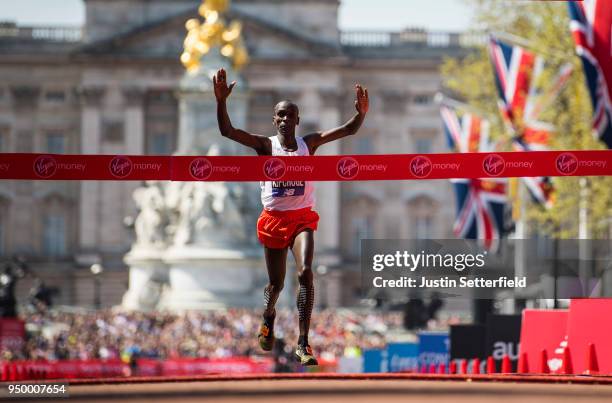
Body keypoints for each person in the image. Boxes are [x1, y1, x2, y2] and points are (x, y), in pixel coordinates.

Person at [213, 68, 369, 365]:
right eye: (280, 115)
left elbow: (347, 130)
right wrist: (221, 102)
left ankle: (303, 342)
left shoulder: (308, 144)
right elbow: (228, 132)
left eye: (290, 115)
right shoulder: (264, 146)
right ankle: (268, 316)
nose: (285, 119)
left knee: (306, 272)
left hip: (302, 220)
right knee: (276, 286)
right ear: (274, 120)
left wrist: (361, 114)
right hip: (274, 220)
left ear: (297, 120)